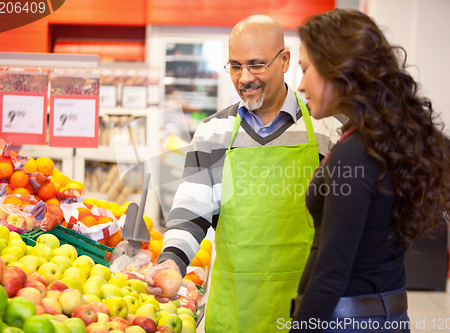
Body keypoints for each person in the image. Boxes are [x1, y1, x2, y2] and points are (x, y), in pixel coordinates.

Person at [144, 14, 343, 332]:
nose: (244, 77)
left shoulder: (326, 130)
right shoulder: (213, 132)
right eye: (235, 66)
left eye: (256, 65)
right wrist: (172, 262)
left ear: (285, 60)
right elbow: (191, 211)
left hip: (305, 309)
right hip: (235, 310)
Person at [288, 9, 450, 333]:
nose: (301, 83)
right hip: (383, 314)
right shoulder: (382, 142)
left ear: (337, 69)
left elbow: (332, 272)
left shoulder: (354, 153)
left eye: (306, 69)